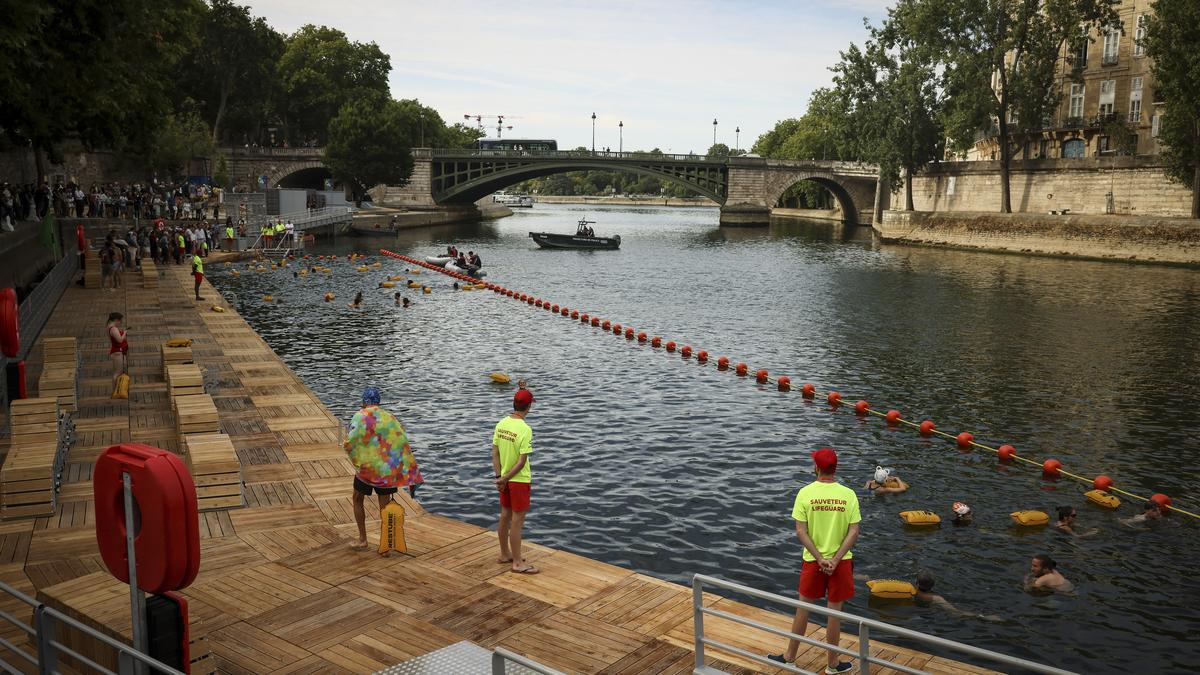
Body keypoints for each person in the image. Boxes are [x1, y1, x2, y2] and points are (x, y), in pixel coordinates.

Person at [769, 448, 859, 673]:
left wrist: (820, 558)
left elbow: (801, 531)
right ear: (835, 468)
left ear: (816, 468)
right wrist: (835, 560)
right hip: (841, 562)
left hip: (813, 561)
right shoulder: (848, 494)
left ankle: (790, 657)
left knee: (803, 609)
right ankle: (833, 663)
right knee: (834, 614)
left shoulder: (805, 493)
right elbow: (854, 532)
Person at [343, 387, 424, 554]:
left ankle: (363, 540)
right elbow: (401, 440)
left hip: (367, 469)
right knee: (384, 505)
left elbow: (350, 440)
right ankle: (386, 546)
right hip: (386, 471)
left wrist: (357, 458)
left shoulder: (360, 415)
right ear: (379, 402)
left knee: (357, 499)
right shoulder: (390, 417)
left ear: (364, 401)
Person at [493, 389, 538, 574]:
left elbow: (494, 453)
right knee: (517, 521)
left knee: (505, 515)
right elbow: (521, 462)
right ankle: (518, 563)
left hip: (503, 478)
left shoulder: (501, 423)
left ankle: (505, 554)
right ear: (529, 406)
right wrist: (505, 478)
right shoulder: (525, 429)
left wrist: (499, 477)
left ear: (514, 404)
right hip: (518, 480)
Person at [106, 312, 128, 388]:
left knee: (118, 372)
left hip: (117, 351)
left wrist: (121, 332)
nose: (120, 323)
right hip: (117, 352)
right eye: (120, 321)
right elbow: (120, 340)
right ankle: (115, 391)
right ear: (116, 320)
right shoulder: (113, 329)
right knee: (117, 373)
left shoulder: (109, 327)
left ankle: (117, 389)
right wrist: (124, 333)